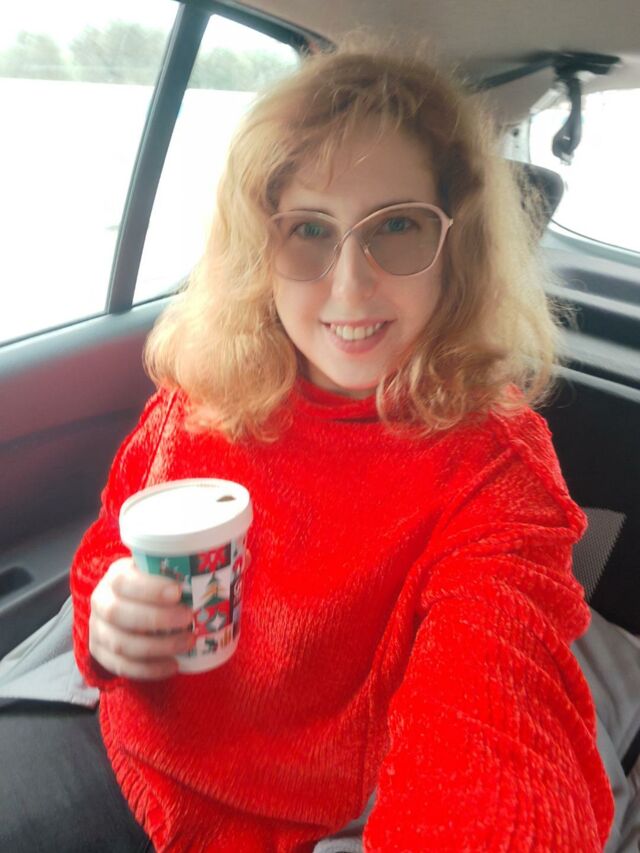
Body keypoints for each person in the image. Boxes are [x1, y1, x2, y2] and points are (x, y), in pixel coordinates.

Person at [65, 40, 615, 851]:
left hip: (302, 819)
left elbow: (501, 696)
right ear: (260, 248)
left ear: (456, 245)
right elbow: (108, 550)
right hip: (134, 755)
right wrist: (105, 618)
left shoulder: (493, 464)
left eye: (397, 226)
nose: (351, 284)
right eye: (308, 230)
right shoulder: (205, 392)